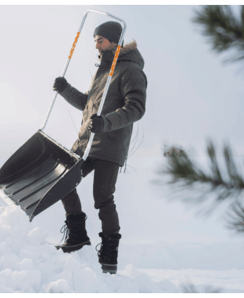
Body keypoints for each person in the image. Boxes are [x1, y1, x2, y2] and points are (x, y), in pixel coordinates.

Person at [52, 21, 147, 274]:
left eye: (100, 40)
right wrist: (65, 90)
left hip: (110, 145)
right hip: (87, 142)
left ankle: (109, 255)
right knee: (63, 181)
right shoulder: (103, 70)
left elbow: (135, 108)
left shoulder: (131, 71)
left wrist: (106, 123)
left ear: (114, 42)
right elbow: (88, 104)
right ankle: (78, 235)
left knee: (103, 198)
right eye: (95, 40)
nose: (96, 45)